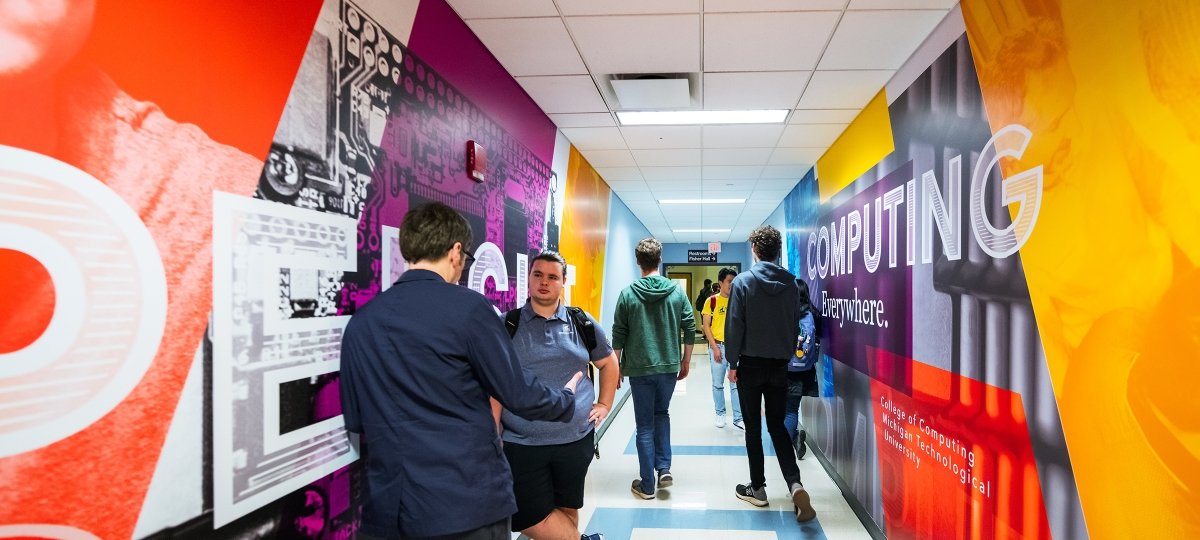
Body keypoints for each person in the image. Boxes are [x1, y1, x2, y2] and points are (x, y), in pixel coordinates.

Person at [339, 202, 582, 539]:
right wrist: (566, 398)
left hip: (389, 511)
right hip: (465, 505)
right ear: (455, 252)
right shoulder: (469, 309)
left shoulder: (362, 322)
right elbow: (517, 393)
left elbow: (355, 420)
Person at [491, 251, 617, 540]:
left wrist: (605, 404)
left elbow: (608, 362)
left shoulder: (581, 323)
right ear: (529, 280)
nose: (544, 282)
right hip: (521, 442)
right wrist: (493, 428)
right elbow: (494, 382)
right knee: (528, 517)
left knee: (567, 508)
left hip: (574, 440)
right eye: (538, 275)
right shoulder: (506, 325)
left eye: (552, 277)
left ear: (563, 282)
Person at [725, 225, 817, 523]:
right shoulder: (791, 283)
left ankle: (759, 488)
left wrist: (732, 361)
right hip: (780, 365)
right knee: (777, 426)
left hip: (750, 364)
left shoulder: (743, 282)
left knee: (753, 427)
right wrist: (786, 352)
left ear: (755, 250)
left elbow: (735, 324)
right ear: (778, 252)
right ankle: (795, 484)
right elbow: (795, 324)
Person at [612, 238, 696, 500]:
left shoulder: (627, 294)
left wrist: (615, 369)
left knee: (644, 425)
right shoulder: (677, 292)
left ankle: (647, 485)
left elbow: (619, 335)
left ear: (638, 262)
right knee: (662, 414)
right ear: (659, 260)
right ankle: (664, 468)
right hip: (669, 367)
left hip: (639, 369)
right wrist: (685, 361)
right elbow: (690, 327)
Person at [700, 267, 743, 430]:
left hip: (735, 348)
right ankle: (720, 414)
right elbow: (706, 325)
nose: (732, 285)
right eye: (729, 282)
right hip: (717, 346)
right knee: (718, 384)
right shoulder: (711, 301)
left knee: (736, 384)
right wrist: (714, 347)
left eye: (734, 282)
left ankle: (738, 418)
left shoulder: (738, 300)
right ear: (721, 283)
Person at [784, 279, 820, 459]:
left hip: (782, 369)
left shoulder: (782, 312)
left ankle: (786, 443)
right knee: (791, 409)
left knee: (783, 410)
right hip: (804, 370)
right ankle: (795, 436)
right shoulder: (813, 314)